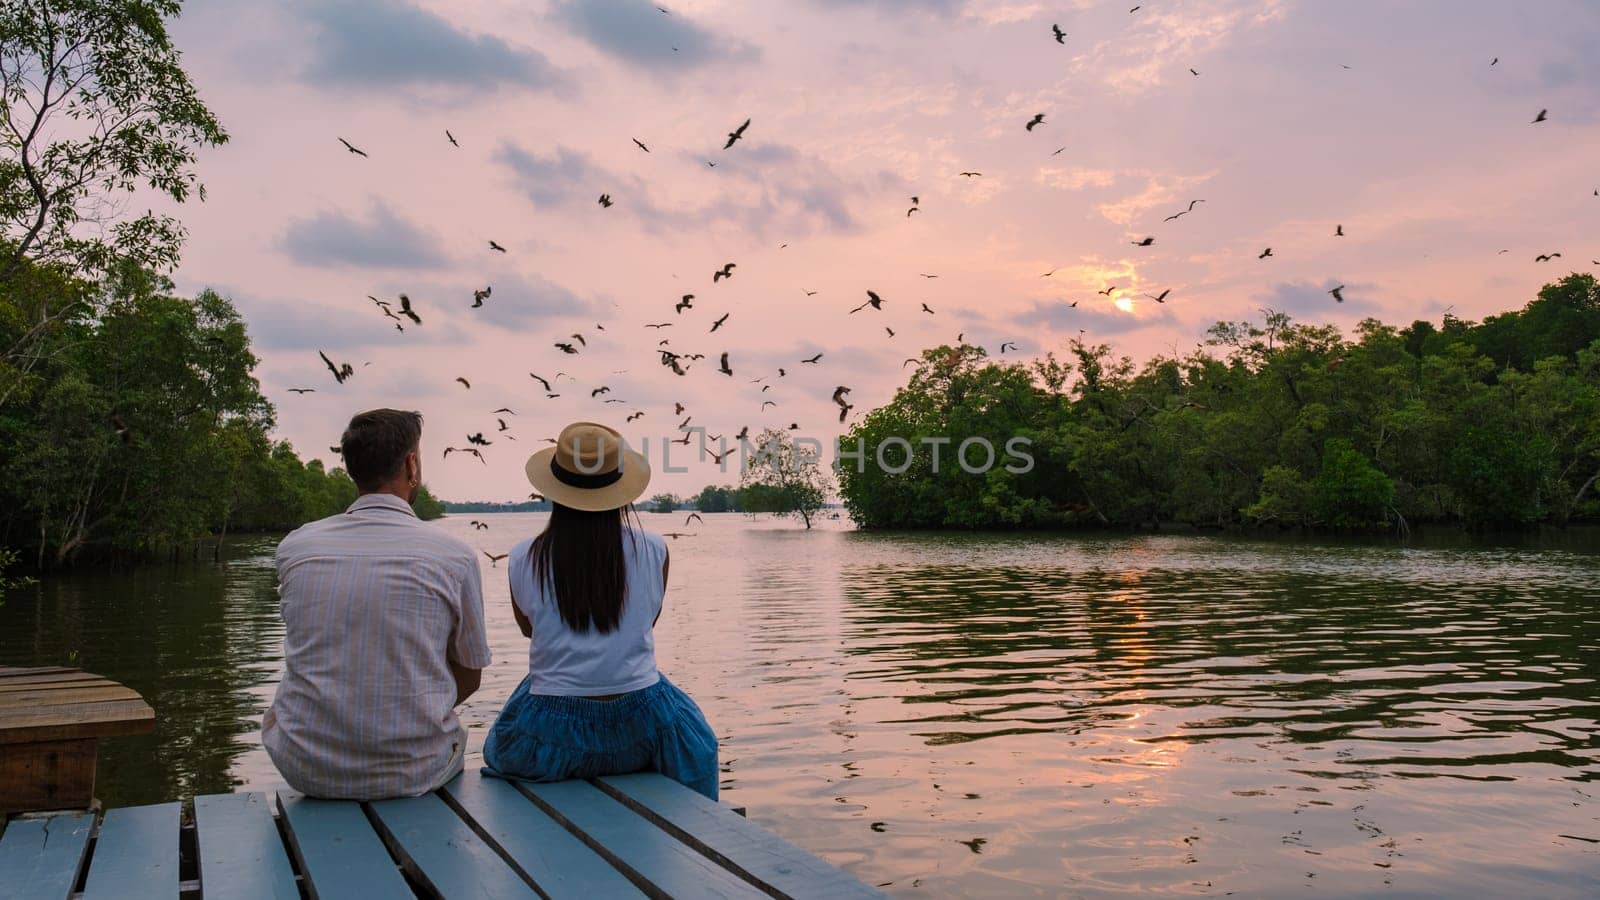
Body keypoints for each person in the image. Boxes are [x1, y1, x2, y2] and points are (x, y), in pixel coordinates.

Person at [263, 409, 491, 800]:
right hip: (416, 769)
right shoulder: (454, 556)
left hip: (306, 768)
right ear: (411, 465)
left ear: (351, 469)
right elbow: (470, 677)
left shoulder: (296, 547)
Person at [484, 421, 719, 799]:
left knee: (504, 735)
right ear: (620, 491)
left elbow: (530, 631)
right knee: (699, 744)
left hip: (553, 739)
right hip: (642, 729)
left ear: (554, 491)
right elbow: (646, 623)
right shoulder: (655, 550)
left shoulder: (522, 557)